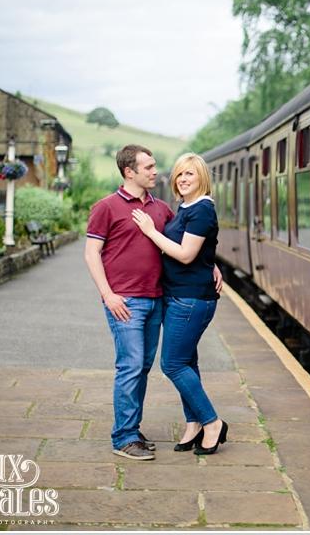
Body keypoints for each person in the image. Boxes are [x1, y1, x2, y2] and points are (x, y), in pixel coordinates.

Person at [131, 152, 228, 456]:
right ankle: (194, 423)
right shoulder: (186, 208)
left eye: (191, 174)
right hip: (180, 295)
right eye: (180, 174)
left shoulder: (202, 210)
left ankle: (212, 422)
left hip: (191, 299)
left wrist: (150, 232)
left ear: (202, 178)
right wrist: (209, 262)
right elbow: (200, 252)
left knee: (172, 364)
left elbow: (185, 254)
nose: (184, 179)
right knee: (187, 363)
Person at [84, 144, 174, 461]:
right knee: (131, 366)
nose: (155, 171)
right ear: (129, 172)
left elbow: (183, 244)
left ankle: (131, 429)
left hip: (155, 300)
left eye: (154, 165)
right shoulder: (106, 207)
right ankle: (123, 437)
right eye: (148, 167)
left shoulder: (161, 209)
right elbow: (91, 253)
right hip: (125, 302)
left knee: (142, 368)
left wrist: (212, 266)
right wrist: (108, 295)